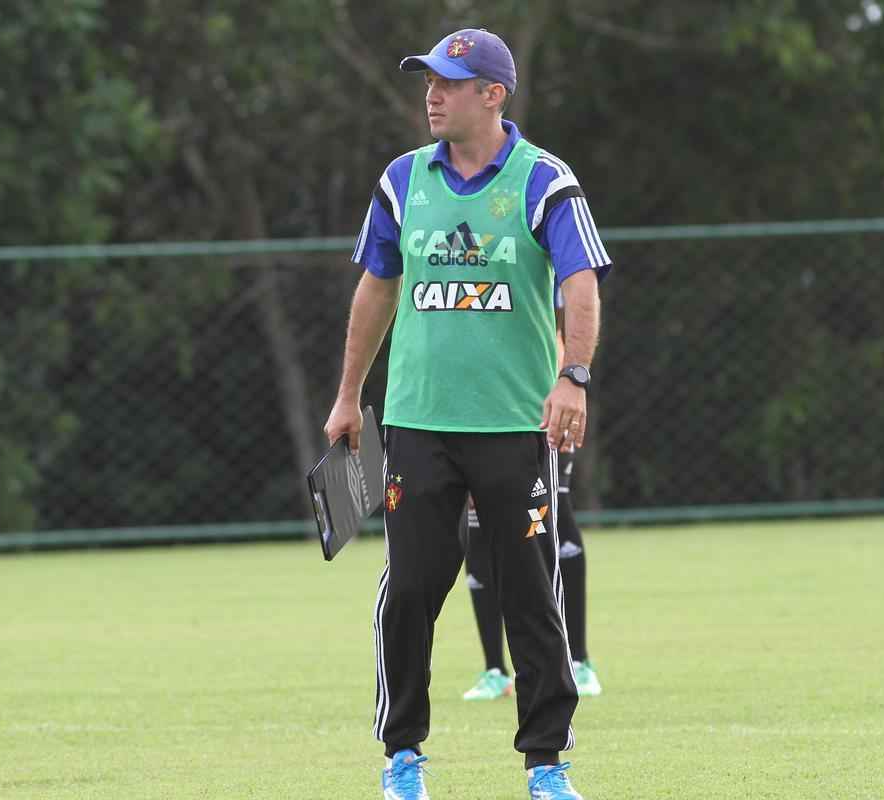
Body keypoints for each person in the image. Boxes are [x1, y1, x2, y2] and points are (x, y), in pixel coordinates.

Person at [324, 27, 611, 800]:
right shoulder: (401, 180)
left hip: (518, 426)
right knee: (411, 586)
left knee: (530, 592)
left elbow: (580, 281)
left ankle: (547, 765)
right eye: (428, 81)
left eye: (450, 82)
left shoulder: (544, 180)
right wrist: (350, 395)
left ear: (494, 94)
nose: (432, 94)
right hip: (417, 423)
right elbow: (376, 287)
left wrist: (572, 377)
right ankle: (402, 757)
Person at [461, 299, 602, 704]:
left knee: (555, 519)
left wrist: (568, 381)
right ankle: (494, 670)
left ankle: (578, 660)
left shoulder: (544, 241)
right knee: (475, 526)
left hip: (539, 401)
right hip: (477, 401)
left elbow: (570, 315)